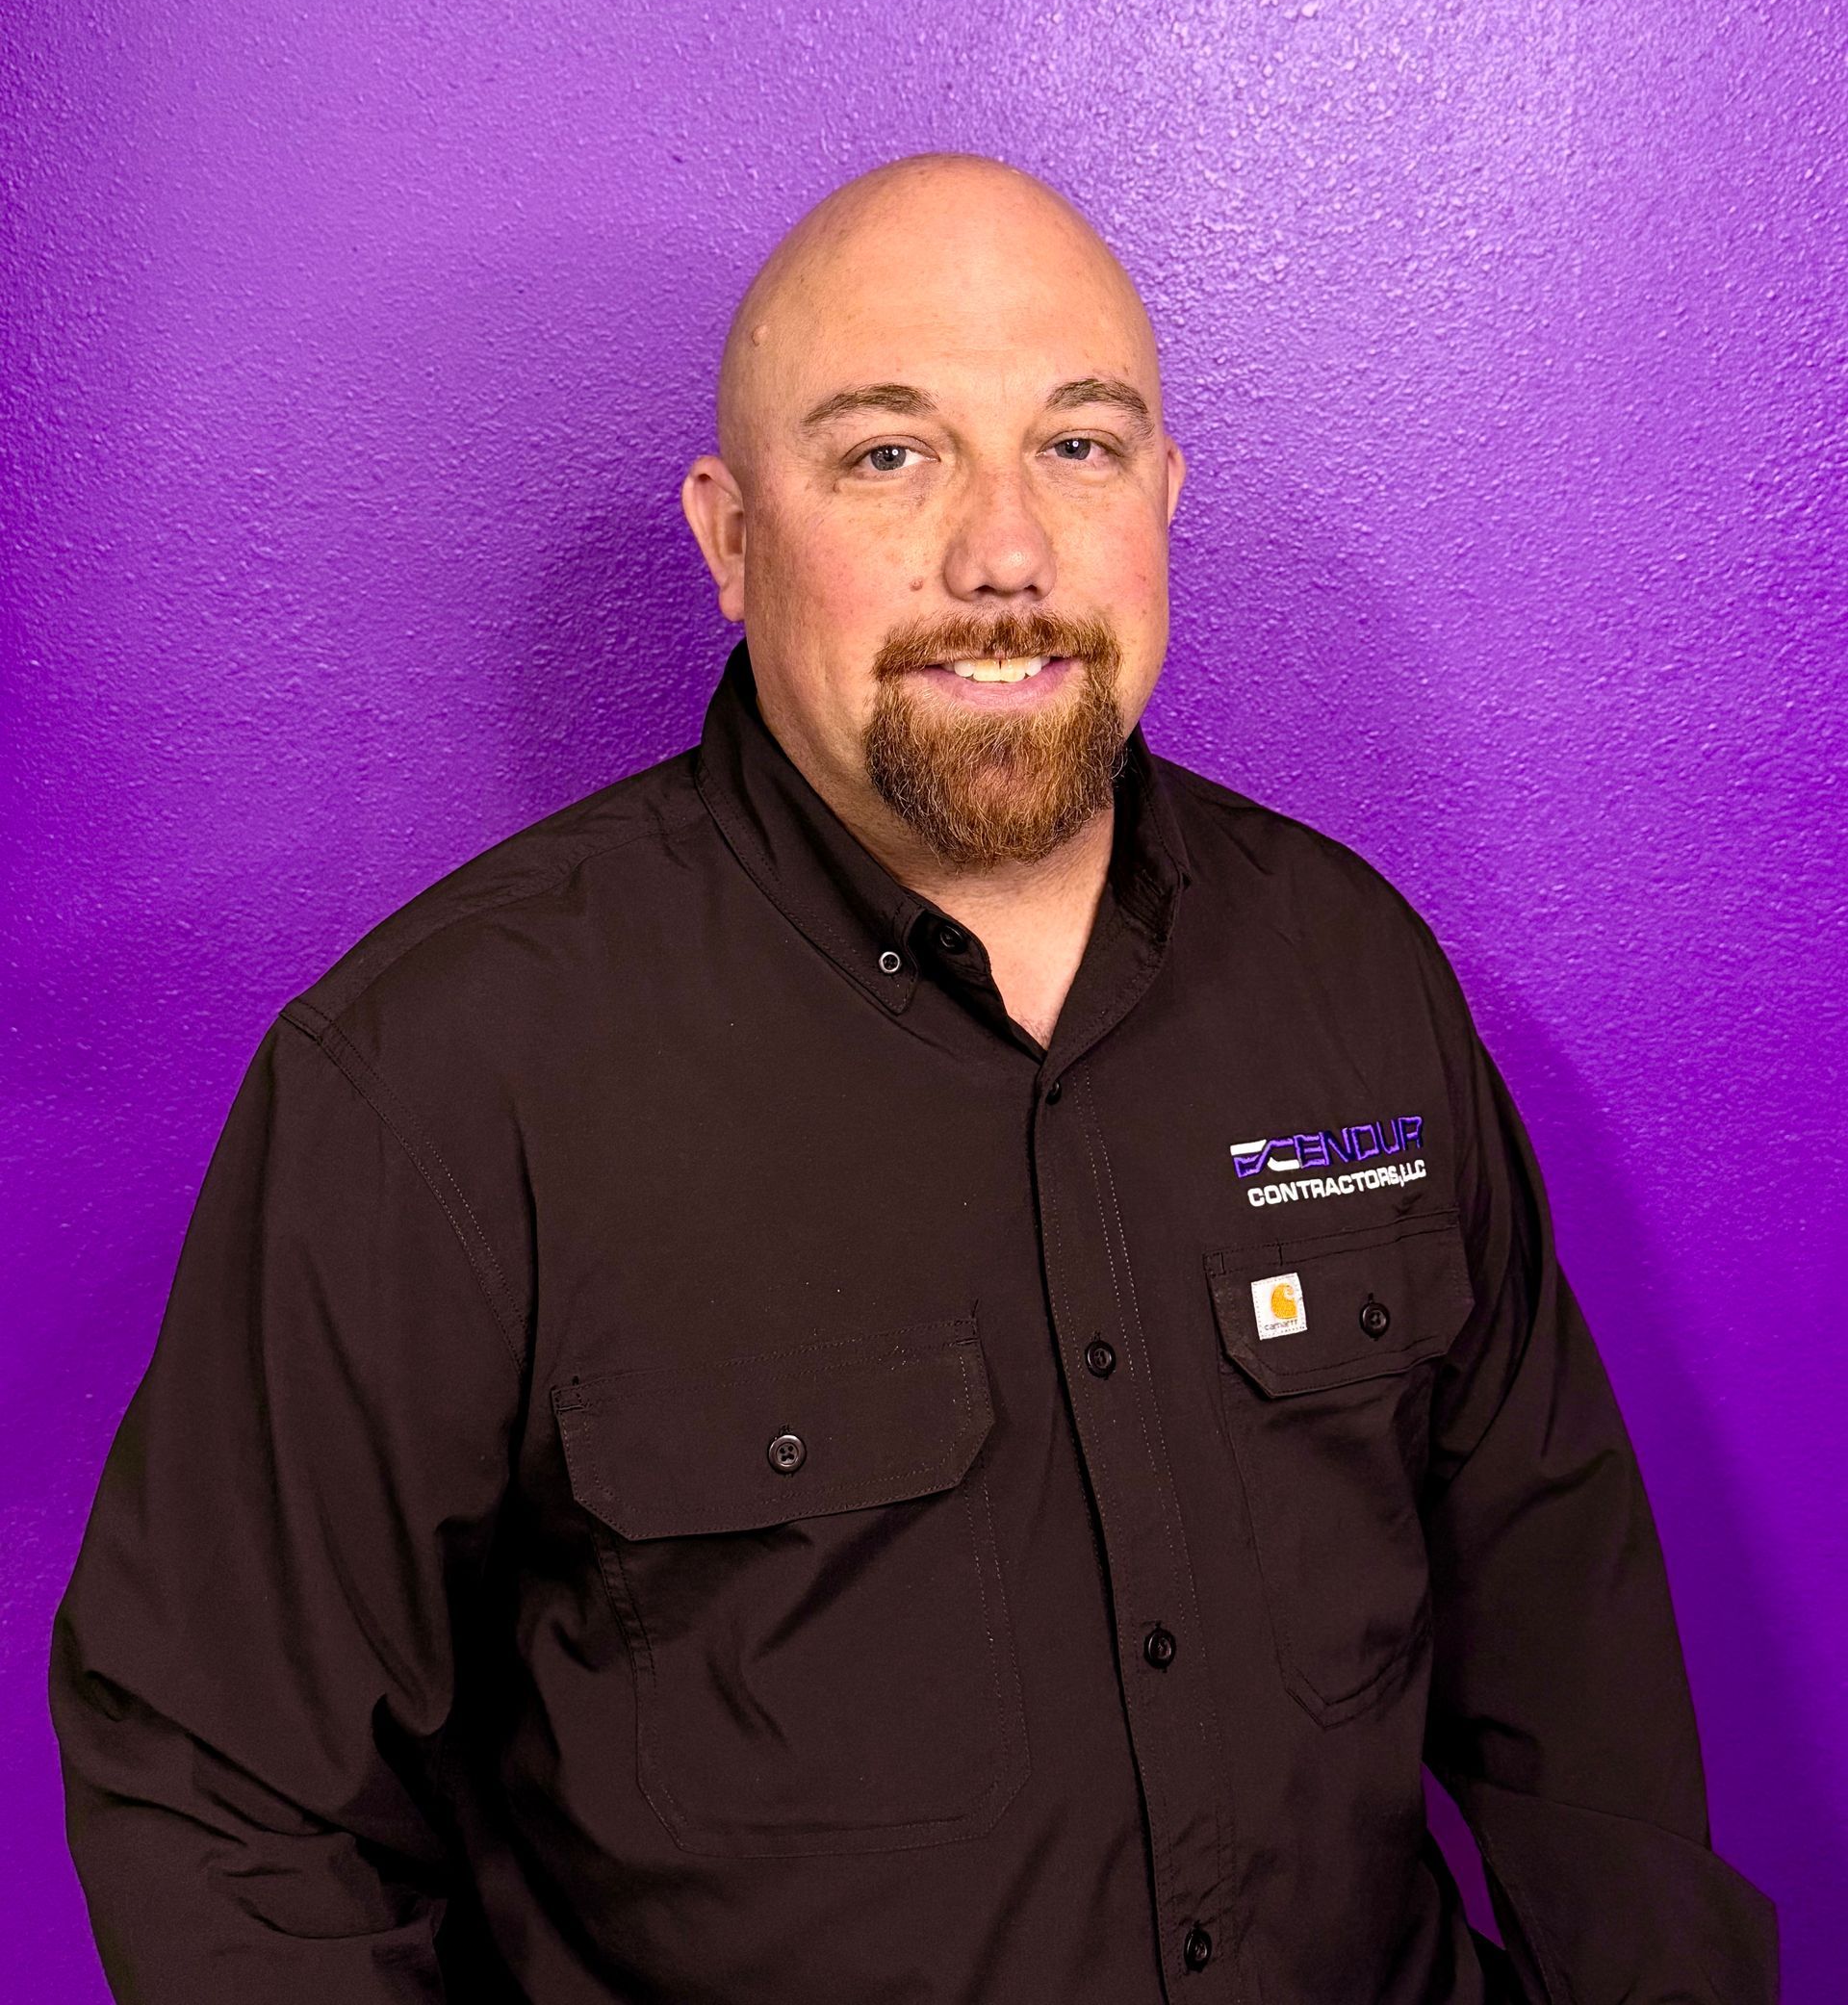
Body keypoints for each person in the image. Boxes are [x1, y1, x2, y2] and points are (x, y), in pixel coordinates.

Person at [51, 155, 1776, 2004]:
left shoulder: (1351, 974)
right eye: (890, 455)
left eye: (1081, 446)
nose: (1005, 555)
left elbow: (1564, 1636)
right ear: (728, 539)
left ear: (1168, 500)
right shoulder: (441, 1082)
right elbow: (221, 1791)